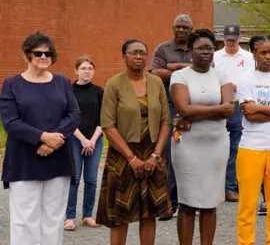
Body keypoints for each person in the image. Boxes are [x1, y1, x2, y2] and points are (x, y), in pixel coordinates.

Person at [0, 31, 80, 245]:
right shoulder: (12, 84)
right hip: (24, 161)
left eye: (48, 53)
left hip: (58, 160)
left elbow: (74, 115)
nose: (44, 57)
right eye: (38, 53)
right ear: (27, 55)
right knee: (25, 221)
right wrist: (43, 137)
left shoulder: (63, 83)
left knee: (53, 220)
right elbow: (10, 122)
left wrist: (54, 142)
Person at [97, 39, 172, 245]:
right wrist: (132, 159)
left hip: (152, 155)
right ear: (124, 57)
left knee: (149, 212)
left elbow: (166, 120)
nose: (138, 57)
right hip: (123, 156)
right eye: (133, 53)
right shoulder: (114, 84)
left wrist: (155, 156)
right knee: (121, 214)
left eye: (142, 53)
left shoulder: (156, 83)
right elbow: (107, 125)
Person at [170, 29, 236, 244]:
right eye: (200, 48)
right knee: (187, 202)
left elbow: (229, 109)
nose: (205, 52)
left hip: (216, 144)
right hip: (188, 146)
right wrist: (214, 110)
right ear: (190, 50)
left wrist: (193, 112)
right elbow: (183, 108)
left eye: (209, 47)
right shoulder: (180, 76)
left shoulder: (221, 75)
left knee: (210, 202)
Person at [235, 35, 270, 245]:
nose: (268, 57)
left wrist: (259, 107)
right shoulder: (245, 79)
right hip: (251, 148)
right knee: (248, 205)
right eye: (264, 53)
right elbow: (249, 116)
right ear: (255, 54)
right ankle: (245, 242)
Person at [150, 13, 193, 218]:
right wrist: (189, 71)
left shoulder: (198, 47)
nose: (181, 30)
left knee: (193, 156)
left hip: (194, 109)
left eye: (185, 27)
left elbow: (207, 70)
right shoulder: (162, 49)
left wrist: (173, 68)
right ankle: (170, 203)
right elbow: (156, 74)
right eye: (178, 27)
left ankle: (191, 202)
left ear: (191, 29)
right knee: (169, 155)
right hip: (168, 107)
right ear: (173, 28)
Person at [213, 24, 255, 202]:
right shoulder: (215, 56)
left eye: (233, 39)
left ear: (240, 37)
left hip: (239, 105)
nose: (230, 42)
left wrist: (238, 87)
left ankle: (231, 186)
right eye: (227, 39)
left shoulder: (248, 57)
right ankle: (216, 187)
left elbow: (254, 78)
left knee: (236, 147)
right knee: (216, 146)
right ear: (223, 38)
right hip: (219, 104)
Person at [65, 56, 104, 231]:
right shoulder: (68, 90)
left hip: (95, 139)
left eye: (90, 68)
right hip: (74, 138)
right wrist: (82, 140)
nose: (87, 71)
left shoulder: (99, 91)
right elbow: (67, 118)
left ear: (93, 71)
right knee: (74, 178)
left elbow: (104, 119)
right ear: (76, 71)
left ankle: (87, 216)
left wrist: (92, 140)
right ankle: (70, 217)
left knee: (91, 180)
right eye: (83, 68)